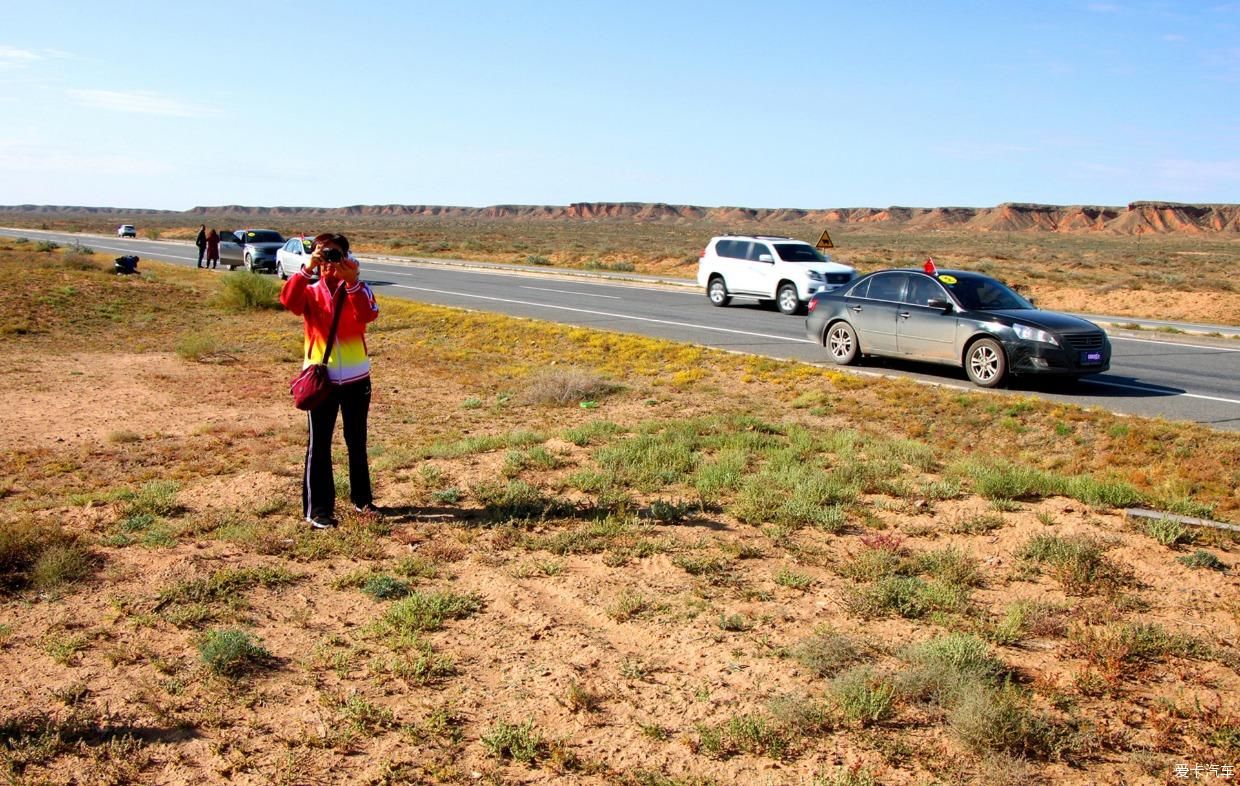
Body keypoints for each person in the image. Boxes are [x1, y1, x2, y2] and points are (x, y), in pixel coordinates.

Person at [280, 233, 380, 528]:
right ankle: (318, 509)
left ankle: (363, 501)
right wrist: (306, 268)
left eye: (335, 254)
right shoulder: (310, 292)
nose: (329, 262)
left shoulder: (360, 290)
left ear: (347, 257)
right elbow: (288, 301)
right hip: (321, 381)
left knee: (357, 441)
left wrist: (352, 282)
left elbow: (368, 315)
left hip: (356, 379)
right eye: (324, 254)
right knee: (319, 445)